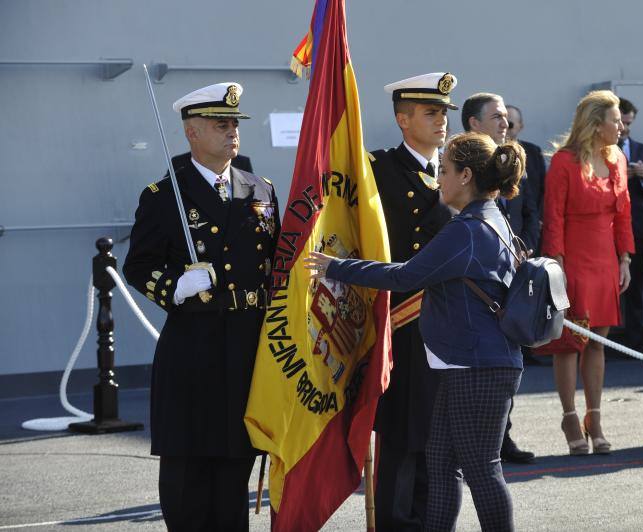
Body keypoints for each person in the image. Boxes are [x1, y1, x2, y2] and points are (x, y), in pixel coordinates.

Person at [305, 132, 526, 532]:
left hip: (478, 367)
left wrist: (334, 267)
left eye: (443, 171)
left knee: (481, 469)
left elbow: (407, 274)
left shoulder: (469, 229)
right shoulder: (490, 220)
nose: (437, 179)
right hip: (468, 364)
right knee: (441, 464)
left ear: (465, 176)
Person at [123, 82, 280, 530]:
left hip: (247, 348)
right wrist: (176, 285)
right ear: (192, 133)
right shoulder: (164, 195)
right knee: (188, 477)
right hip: (194, 349)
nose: (232, 132)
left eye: (234, 124)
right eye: (220, 124)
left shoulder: (260, 188)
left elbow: (273, 264)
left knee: (235, 474)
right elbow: (139, 265)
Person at [368, 72, 457, 530]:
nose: (441, 120)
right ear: (403, 119)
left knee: (443, 447)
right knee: (404, 443)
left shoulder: (463, 170)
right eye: (430, 112)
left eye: (444, 111)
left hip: (455, 329)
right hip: (403, 327)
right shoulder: (377, 170)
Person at [537, 90, 634, 456]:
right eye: (616, 119)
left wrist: (625, 258)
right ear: (596, 124)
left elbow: (624, 213)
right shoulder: (563, 162)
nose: (621, 126)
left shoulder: (618, 159)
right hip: (572, 260)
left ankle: (595, 418)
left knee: (598, 342)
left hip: (605, 259)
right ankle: (569, 416)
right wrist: (556, 264)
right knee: (569, 344)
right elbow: (554, 216)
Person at [462, 92, 537, 465]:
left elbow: (528, 213)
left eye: (506, 117)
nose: (504, 123)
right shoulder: (461, 166)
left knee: (509, 360)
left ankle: (501, 438)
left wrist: (526, 249)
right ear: (474, 123)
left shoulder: (515, 161)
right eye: (496, 117)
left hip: (514, 278)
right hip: (476, 285)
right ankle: (479, 444)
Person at [618, 98, 643, 353]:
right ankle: (606, 339)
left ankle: (635, 340)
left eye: (630, 123)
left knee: (636, 286)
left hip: (638, 227)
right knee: (609, 286)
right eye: (622, 122)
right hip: (610, 229)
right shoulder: (601, 149)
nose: (625, 128)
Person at [507, 104, 547, 254]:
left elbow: (544, 188)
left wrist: (539, 218)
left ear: (520, 126)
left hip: (532, 228)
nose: (505, 126)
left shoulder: (533, 152)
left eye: (510, 123)